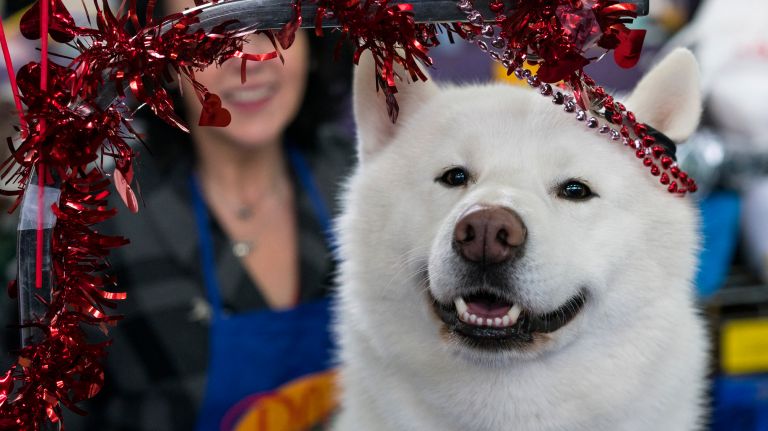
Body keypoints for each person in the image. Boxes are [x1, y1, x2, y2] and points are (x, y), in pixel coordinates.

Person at [56, 1, 355, 429]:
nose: (249, 62)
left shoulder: (360, 181)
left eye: (271, 26)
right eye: (211, 36)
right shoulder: (96, 224)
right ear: (161, 64)